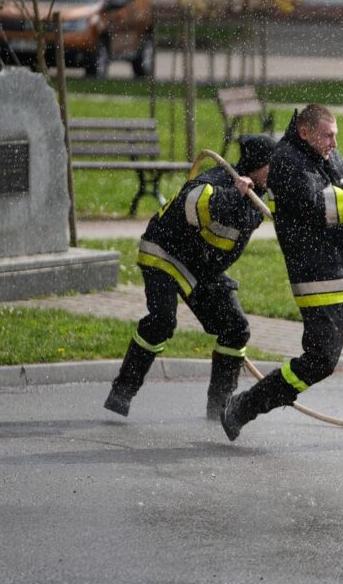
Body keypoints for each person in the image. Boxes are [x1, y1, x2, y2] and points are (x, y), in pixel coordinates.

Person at [221, 104, 343, 446]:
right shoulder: (286, 163)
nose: (334, 143)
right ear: (305, 132)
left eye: (335, 135)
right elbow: (322, 207)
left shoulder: (331, 159)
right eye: (328, 135)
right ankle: (243, 406)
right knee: (319, 362)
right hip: (321, 280)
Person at [104, 135, 275, 420]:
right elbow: (192, 204)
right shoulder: (220, 178)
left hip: (202, 268)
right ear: (257, 166)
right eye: (274, 165)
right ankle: (122, 390)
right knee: (162, 321)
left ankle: (219, 409)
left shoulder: (261, 196)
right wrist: (234, 194)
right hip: (165, 253)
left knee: (235, 328)